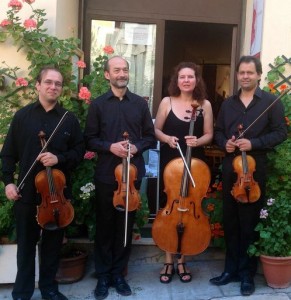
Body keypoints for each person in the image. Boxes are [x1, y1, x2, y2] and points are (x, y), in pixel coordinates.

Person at [0, 66, 85, 300]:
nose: (53, 87)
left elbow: (79, 151)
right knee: (26, 246)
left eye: (58, 84)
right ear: (37, 85)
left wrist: (60, 158)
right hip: (26, 194)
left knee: (52, 246)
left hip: (57, 196)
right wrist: (8, 182)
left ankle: (49, 289)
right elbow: (8, 154)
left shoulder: (68, 120)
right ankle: (22, 292)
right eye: (48, 82)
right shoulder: (22, 117)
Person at [210, 56, 287, 296]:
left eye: (249, 72)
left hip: (254, 170)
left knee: (249, 223)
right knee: (230, 221)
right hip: (231, 168)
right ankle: (230, 270)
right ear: (237, 75)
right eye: (241, 72)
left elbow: (280, 133)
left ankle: (246, 274)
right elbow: (218, 132)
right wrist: (226, 144)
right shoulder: (228, 104)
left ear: (259, 75)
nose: (245, 76)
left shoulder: (271, 102)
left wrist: (253, 143)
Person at [84, 56, 156, 300]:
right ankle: (103, 275)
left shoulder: (140, 104)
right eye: (117, 70)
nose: (122, 73)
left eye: (125, 69)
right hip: (107, 174)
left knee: (125, 226)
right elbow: (90, 139)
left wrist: (136, 147)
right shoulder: (98, 105)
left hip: (132, 174)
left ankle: (118, 274)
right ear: (107, 75)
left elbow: (150, 136)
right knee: (105, 226)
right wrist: (109, 147)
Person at [154, 62, 213, 284]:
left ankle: (183, 259)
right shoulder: (166, 102)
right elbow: (156, 129)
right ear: (176, 80)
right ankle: (169, 259)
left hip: (195, 163)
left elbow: (209, 134)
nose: (186, 80)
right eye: (182, 77)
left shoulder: (204, 104)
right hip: (171, 163)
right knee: (170, 208)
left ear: (197, 79)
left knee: (190, 209)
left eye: (190, 76)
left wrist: (197, 140)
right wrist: (166, 138)